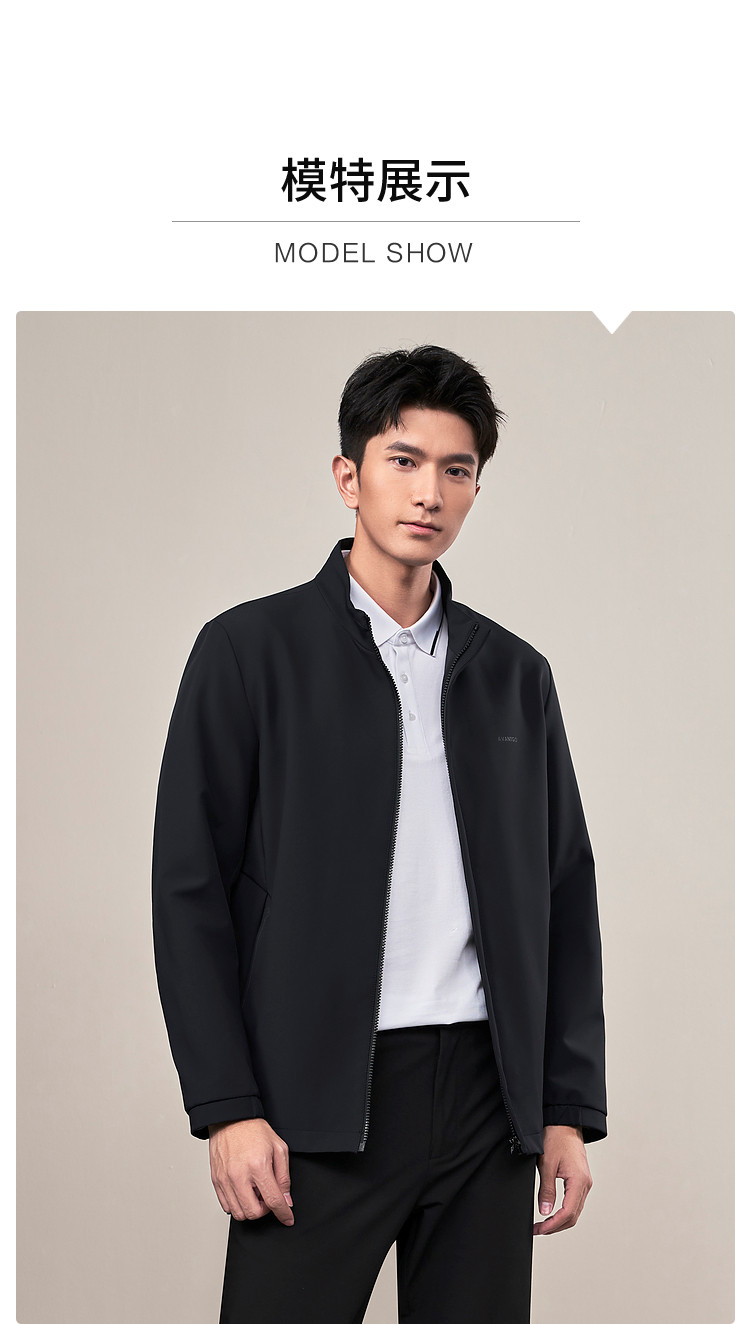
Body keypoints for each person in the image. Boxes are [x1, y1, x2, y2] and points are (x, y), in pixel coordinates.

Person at [151, 344, 607, 1324]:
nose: (429, 492)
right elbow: (189, 891)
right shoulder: (249, 653)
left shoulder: (514, 676)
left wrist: (565, 1109)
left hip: (486, 1098)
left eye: (456, 469)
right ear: (348, 476)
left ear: (476, 487)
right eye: (404, 461)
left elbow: (564, 892)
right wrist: (228, 1106)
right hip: (312, 1099)